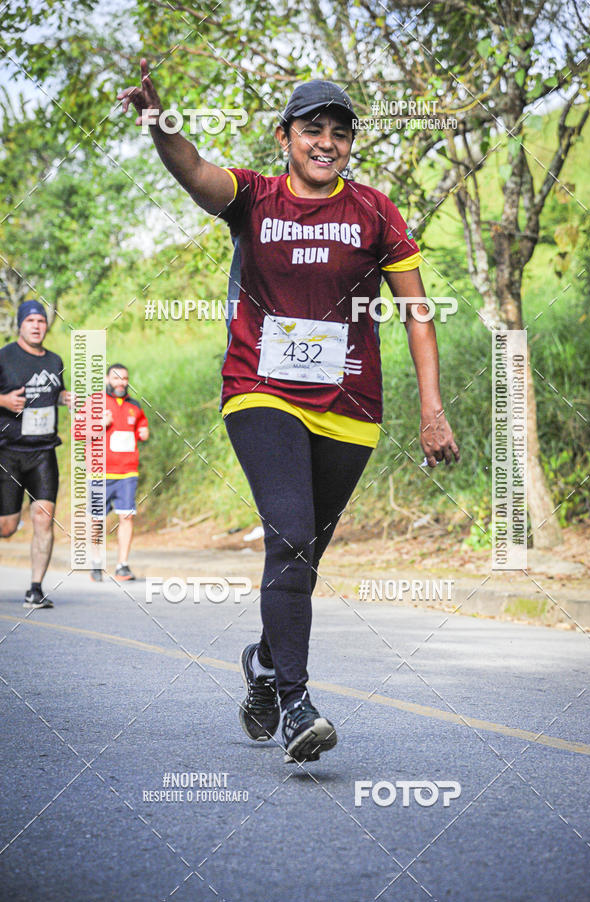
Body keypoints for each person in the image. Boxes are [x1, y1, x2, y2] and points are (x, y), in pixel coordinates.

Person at [118, 63, 459, 763]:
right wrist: (161, 122)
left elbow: (417, 311)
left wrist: (433, 407)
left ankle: (264, 664)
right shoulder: (255, 197)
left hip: (351, 405)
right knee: (293, 534)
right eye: (313, 129)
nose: (326, 142)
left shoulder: (375, 211)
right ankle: (298, 703)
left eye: (339, 132)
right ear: (286, 137)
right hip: (261, 392)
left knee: (304, 552)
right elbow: (195, 172)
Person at [0, 300, 72, 608]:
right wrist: (3, 400)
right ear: (20, 324)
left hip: (43, 451)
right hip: (9, 452)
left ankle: (35, 588)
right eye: (30, 321)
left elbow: (53, 393)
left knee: (44, 519)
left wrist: (64, 397)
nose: (36, 325)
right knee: (7, 527)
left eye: (41, 321)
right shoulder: (4, 357)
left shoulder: (55, 360)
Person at [82, 363, 149, 582]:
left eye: (124, 379)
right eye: (116, 378)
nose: (121, 382)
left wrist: (142, 430)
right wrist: (100, 424)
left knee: (127, 516)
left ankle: (122, 565)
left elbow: (140, 426)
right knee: (97, 520)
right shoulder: (94, 403)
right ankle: (96, 562)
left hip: (128, 471)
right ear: (107, 379)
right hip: (101, 472)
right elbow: (79, 433)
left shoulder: (135, 405)